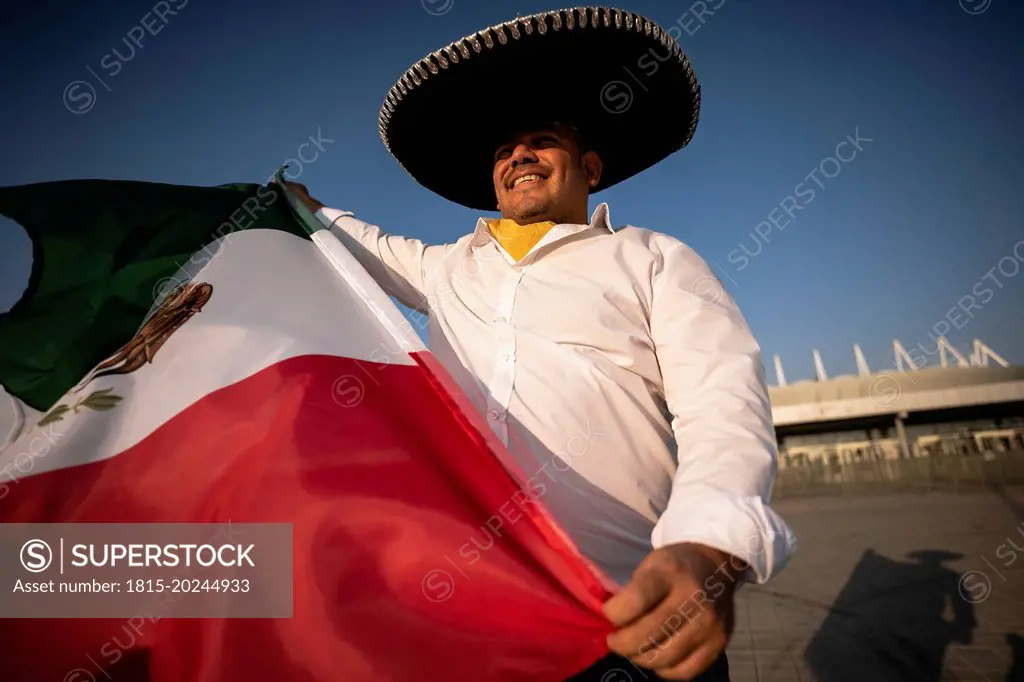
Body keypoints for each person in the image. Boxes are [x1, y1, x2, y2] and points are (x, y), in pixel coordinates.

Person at [287, 8, 795, 680]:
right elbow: (353, 241)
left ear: (589, 167)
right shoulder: (444, 269)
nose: (518, 155)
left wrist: (707, 544)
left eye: (540, 141)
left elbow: (722, 402)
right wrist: (295, 204)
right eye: (504, 151)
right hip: (483, 624)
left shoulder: (653, 258)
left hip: (632, 616)